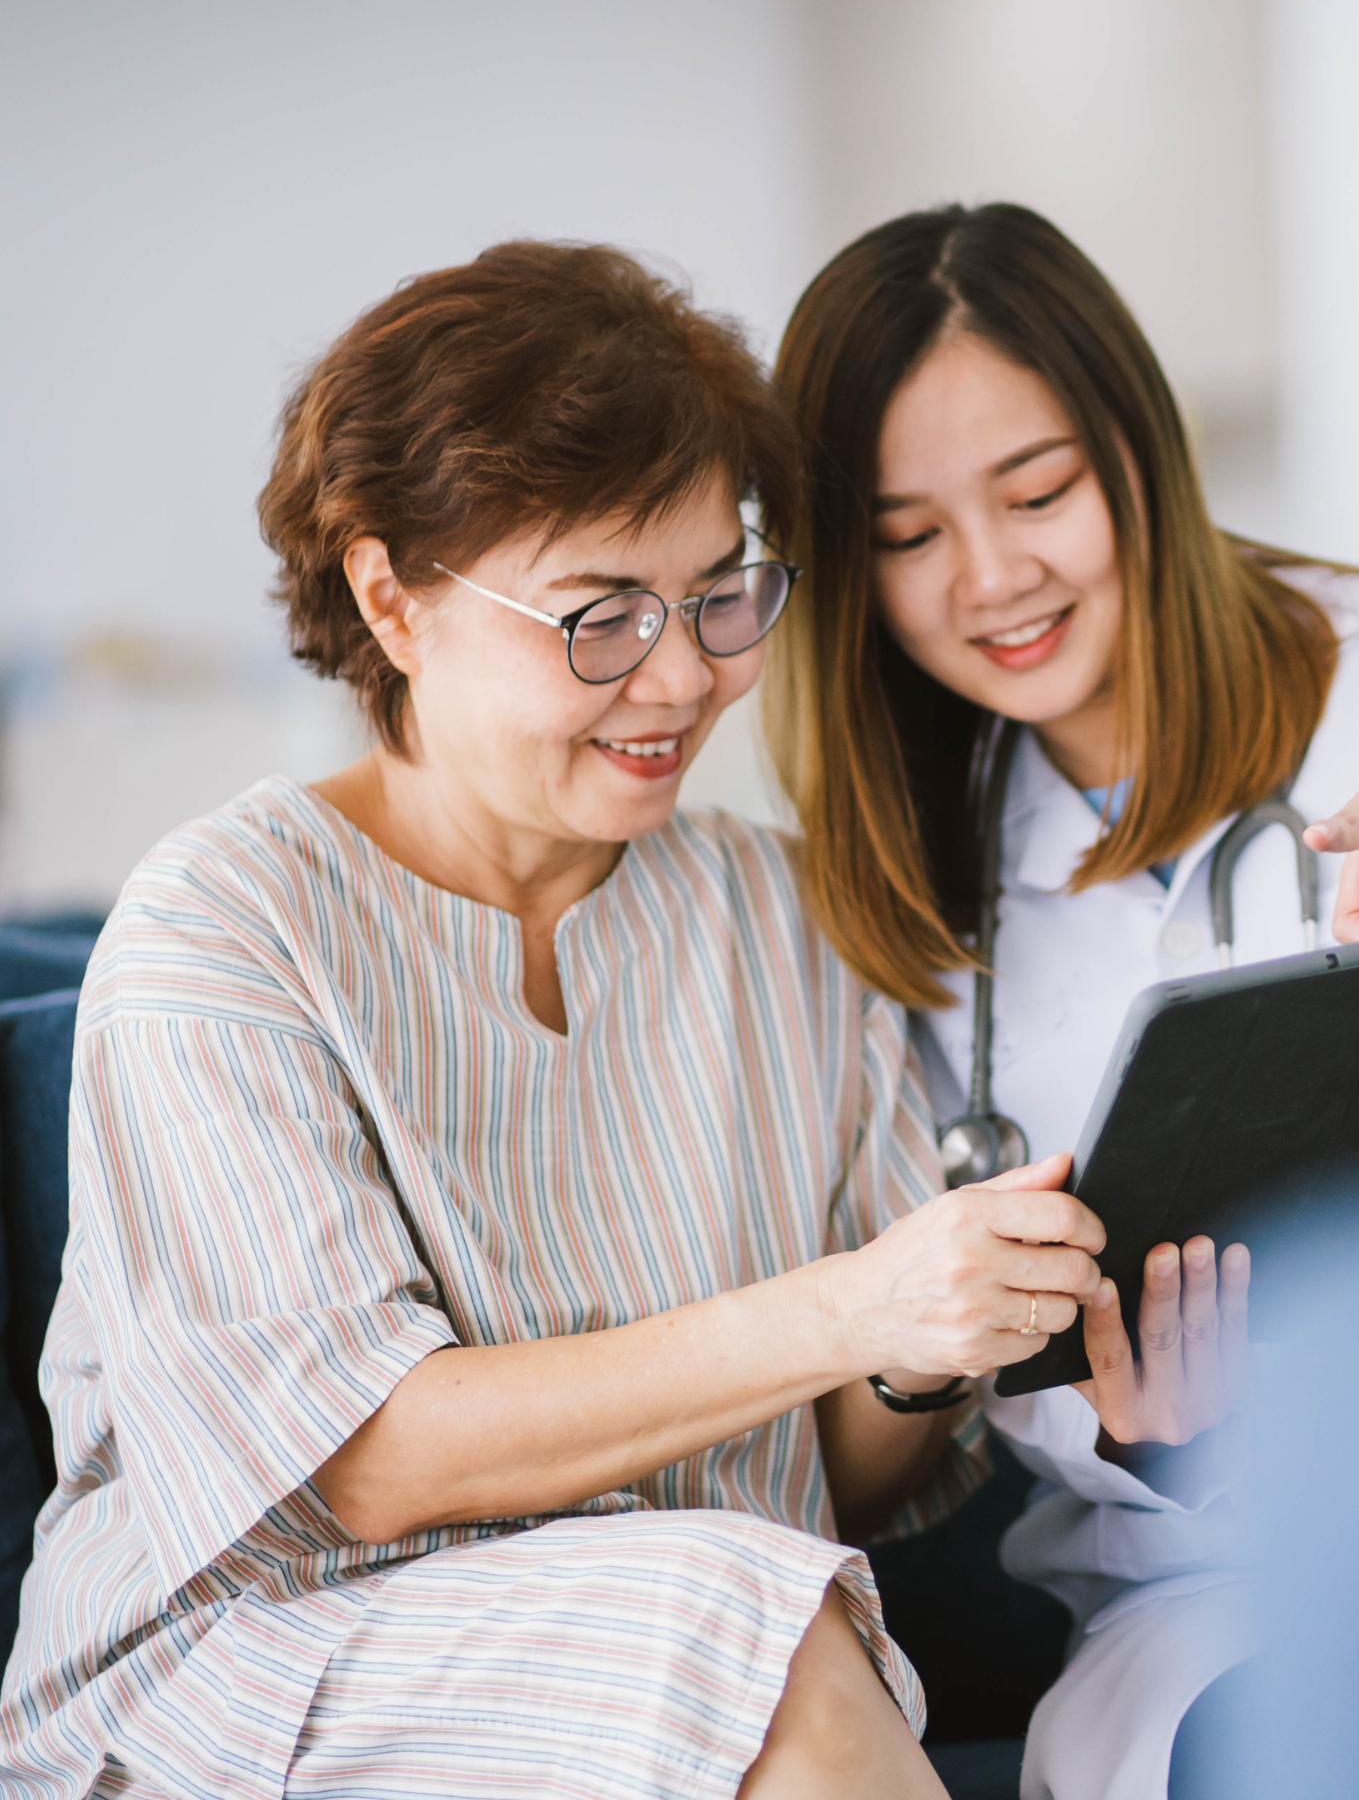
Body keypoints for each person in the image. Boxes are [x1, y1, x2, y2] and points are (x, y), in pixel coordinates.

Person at [0, 240, 1150, 1800]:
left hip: (693, 1648)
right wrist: (845, 1307)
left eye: (717, 597)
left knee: (749, 1615)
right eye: (600, 617)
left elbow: (843, 1476)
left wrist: (932, 1344)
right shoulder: (226, 926)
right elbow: (368, 1461)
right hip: (262, 1673)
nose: (680, 679)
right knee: (741, 1631)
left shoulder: (775, 914)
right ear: (391, 598)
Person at [764, 202, 1359, 1800]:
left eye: (1038, 492)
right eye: (908, 536)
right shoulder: (906, 875)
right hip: (1210, 1595)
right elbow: (950, 1371)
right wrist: (1162, 1438)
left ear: (1141, 452)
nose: (993, 576)